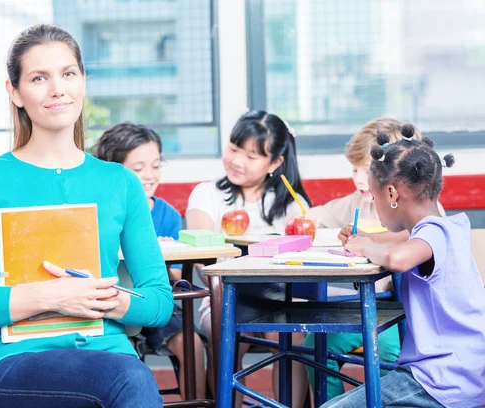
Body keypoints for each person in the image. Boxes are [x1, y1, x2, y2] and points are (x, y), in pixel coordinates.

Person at [0, 24, 173, 408]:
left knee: (127, 376)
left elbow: (158, 302)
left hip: (109, 355)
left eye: (68, 73)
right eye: (39, 78)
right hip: (15, 364)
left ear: (83, 81)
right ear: (15, 92)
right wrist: (47, 296)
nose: (58, 89)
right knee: (130, 379)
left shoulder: (120, 182)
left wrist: (99, 299)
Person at [323, 125, 485, 407]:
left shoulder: (432, 234)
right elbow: (402, 237)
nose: (375, 205)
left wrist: (366, 247)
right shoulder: (449, 226)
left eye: (375, 198)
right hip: (462, 370)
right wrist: (368, 237)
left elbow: (398, 258)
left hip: (444, 378)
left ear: (391, 194)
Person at [186, 110, 312, 408]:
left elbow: (304, 266)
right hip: (224, 299)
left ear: (276, 162)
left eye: (252, 156)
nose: (237, 161)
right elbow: (206, 265)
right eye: (233, 148)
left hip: (283, 299)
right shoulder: (206, 195)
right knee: (225, 326)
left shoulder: (292, 205)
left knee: (290, 335)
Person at [303, 118, 425, 400]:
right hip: (366, 308)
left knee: (387, 352)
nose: (359, 178)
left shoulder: (420, 207)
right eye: (354, 168)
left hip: (405, 315)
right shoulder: (357, 201)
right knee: (315, 345)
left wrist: (370, 243)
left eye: (366, 169)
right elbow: (315, 215)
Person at [93, 122, 207, 400]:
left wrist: (162, 257)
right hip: (107, 302)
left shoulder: (166, 214)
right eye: (138, 168)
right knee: (118, 354)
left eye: (156, 166)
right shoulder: (97, 210)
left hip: (153, 302)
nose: (149, 175)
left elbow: (178, 274)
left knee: (192, 344)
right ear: (114, 169)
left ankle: (197, 402)